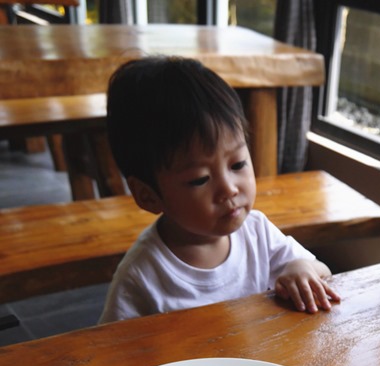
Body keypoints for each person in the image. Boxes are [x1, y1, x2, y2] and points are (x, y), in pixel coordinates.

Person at [98, 56, 339, 323]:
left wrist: (300, 268)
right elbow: (112, 343)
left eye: (237, 164)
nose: (228, 189)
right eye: (200, 179)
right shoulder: (141, 276)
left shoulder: (257, 232)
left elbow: (321, 269)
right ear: (148, 196)